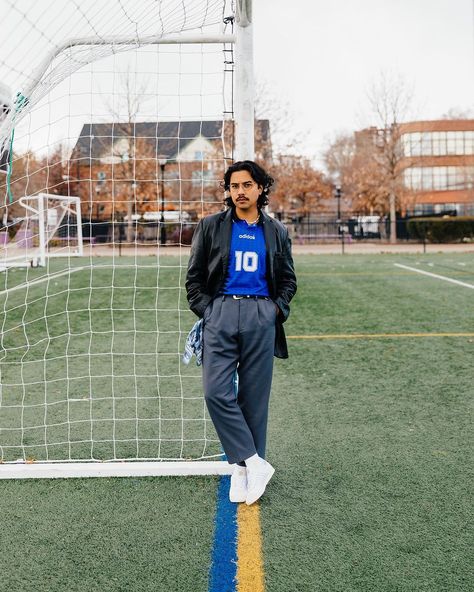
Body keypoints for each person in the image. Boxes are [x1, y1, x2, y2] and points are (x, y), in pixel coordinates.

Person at [185, 160, 297, 504]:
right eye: (234, 186)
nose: (240, 192)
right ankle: (251, 460)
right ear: (228, 191)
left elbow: (288, 279)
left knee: (253, 398)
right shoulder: (210, 227)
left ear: (260, 188)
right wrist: (209, 311)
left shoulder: (276, 231)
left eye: (247, 185)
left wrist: (274, 310)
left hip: (260, 314)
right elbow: (194, 279)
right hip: (221, 312)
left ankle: (244, 471)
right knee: (215, 392)